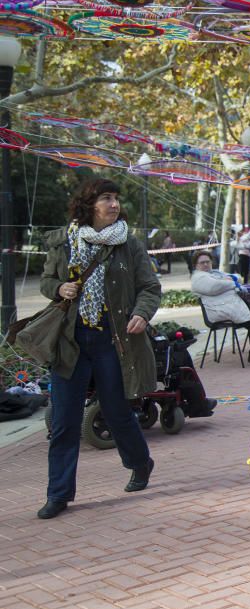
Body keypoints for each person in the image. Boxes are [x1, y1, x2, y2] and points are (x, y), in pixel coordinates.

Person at [37, 177, 160, 520]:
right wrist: (58, 287)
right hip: (71, 342)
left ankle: (140, 462)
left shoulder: (129, 244)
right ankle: (58, 494)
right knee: (63, 421)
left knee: (117, 411)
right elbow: (46, 281)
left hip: (111, 339)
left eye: (116, 199)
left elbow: (150, 287)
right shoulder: (63, 242)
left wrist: (141, 313)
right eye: (106, 198)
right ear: (89, 204)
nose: (114, 204)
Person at [191, 250, 250, 365]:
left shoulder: (214, 273)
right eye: (202, 263)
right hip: (220, 311)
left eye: (207, 262)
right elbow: (214, 287)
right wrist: (231, 283)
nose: (205, 264)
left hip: (231, 306)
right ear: (196, 265)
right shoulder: (198, 278)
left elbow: (237, 277)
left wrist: (229, 280)